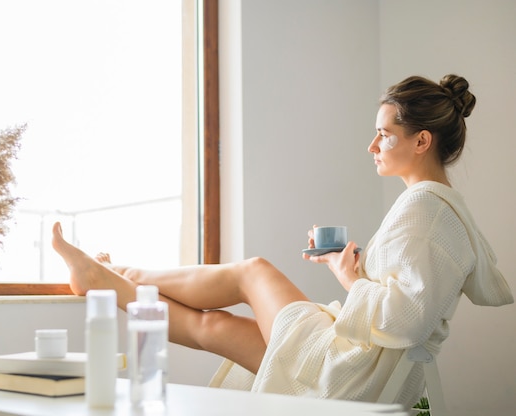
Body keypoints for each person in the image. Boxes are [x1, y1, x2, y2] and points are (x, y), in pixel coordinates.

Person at [52, 74, 513, 409]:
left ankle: (113, 275)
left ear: (421, 141)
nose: (372, 146)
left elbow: (407, 320)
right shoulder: (436, 208)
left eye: (384, 134)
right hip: (363, 364)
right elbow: (410, 302)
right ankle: (103, 281)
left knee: (252, 271)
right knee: (213, 329)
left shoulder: (426, 209)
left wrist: (346, 275)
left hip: (351, 370)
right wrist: (348, 267)